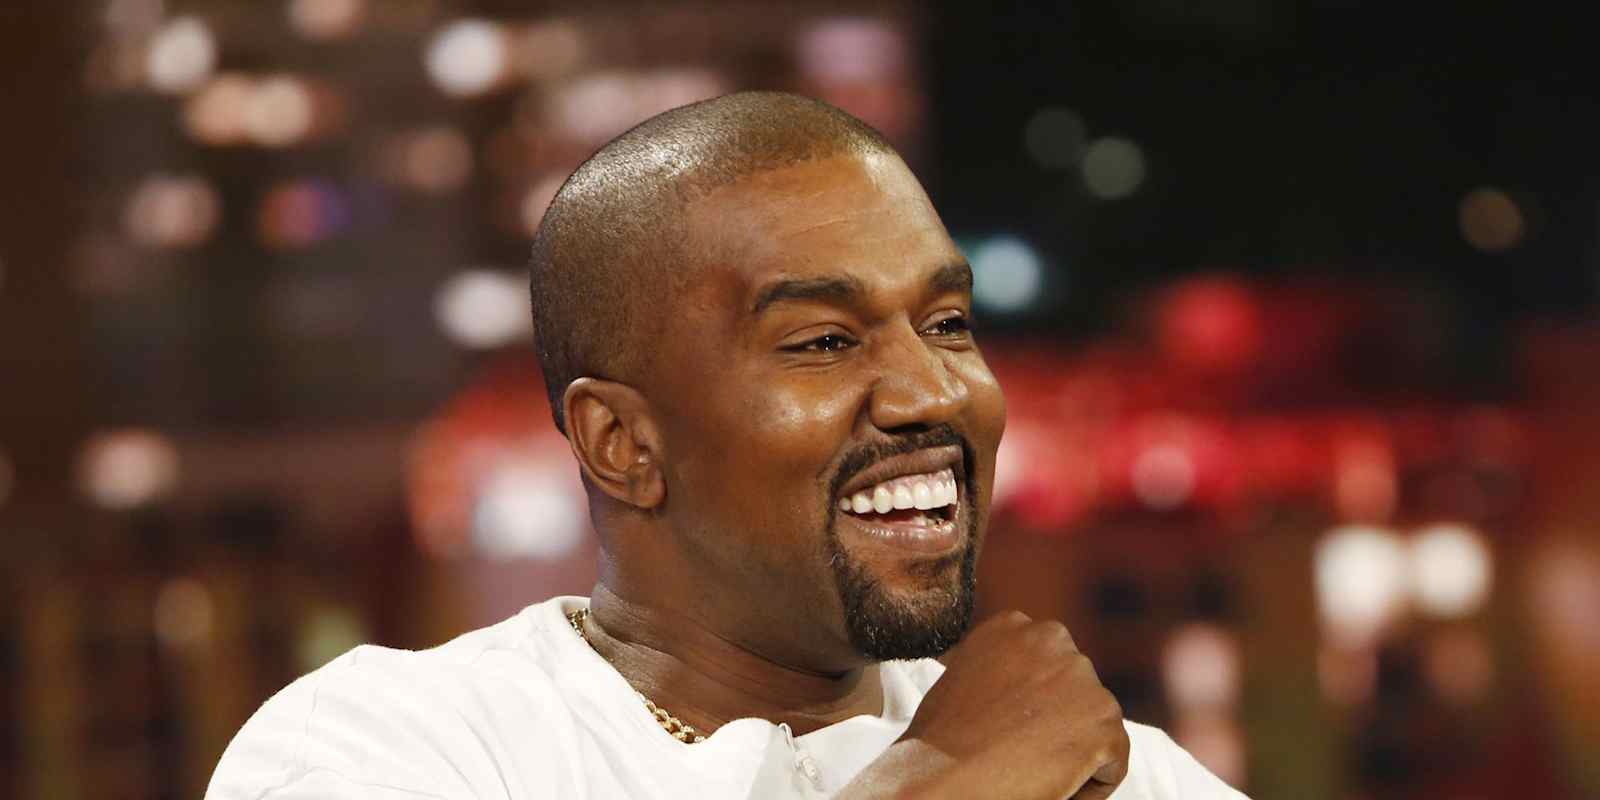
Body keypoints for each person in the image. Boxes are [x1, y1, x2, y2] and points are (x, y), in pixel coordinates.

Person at [207, 92, 1248, 799]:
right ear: (622, 441)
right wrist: (945, 784)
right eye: (824, 341)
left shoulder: (1116, 773)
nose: (935, 391)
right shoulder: (393, 747)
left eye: (947, 324)